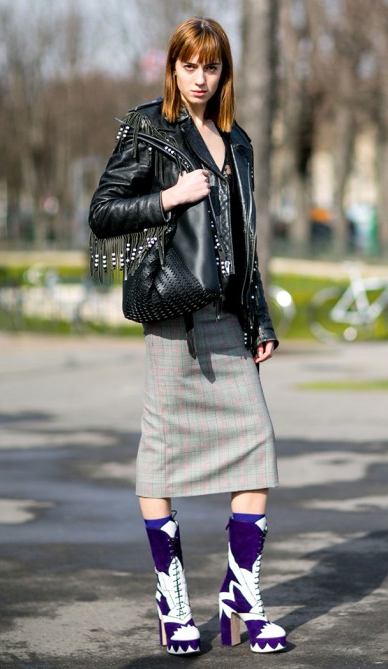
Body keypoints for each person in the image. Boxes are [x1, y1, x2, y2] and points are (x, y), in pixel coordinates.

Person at [89, 16, 286, 656]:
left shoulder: (238, 141)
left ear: (225, 72)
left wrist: (259, 318)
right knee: (161, 455)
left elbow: (245, 242)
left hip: (227, 318)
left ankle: (240, 593)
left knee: (256, 446)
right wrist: (170, 196)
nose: (200, 78)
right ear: (173, 67)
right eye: (189, 65)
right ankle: (171, 598)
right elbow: (102, 212)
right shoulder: (148, 128)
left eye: (212, 66)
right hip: (173, 314)